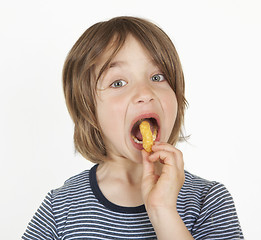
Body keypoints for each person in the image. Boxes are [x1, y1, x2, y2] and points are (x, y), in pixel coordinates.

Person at [22, 16, 244, 239]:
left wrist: (163, 211)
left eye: (158, 77)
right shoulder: (60, 208)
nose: (145, 93)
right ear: (88, 109)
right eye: (118, 83)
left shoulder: (208, 201)